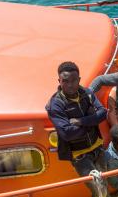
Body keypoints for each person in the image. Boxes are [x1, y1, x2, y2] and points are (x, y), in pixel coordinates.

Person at [45, 62, 108, 197]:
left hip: (97, 147)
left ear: (79, 80)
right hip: (79, 156)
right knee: (98, 190)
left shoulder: (87, 93)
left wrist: (81, 122)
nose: (69, 85)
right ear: (59, 81)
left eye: (73, 80)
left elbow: (103, 113)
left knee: (104, 185)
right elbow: (67, 133)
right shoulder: (55, 105)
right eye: (65, 81)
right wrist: (92, 120)